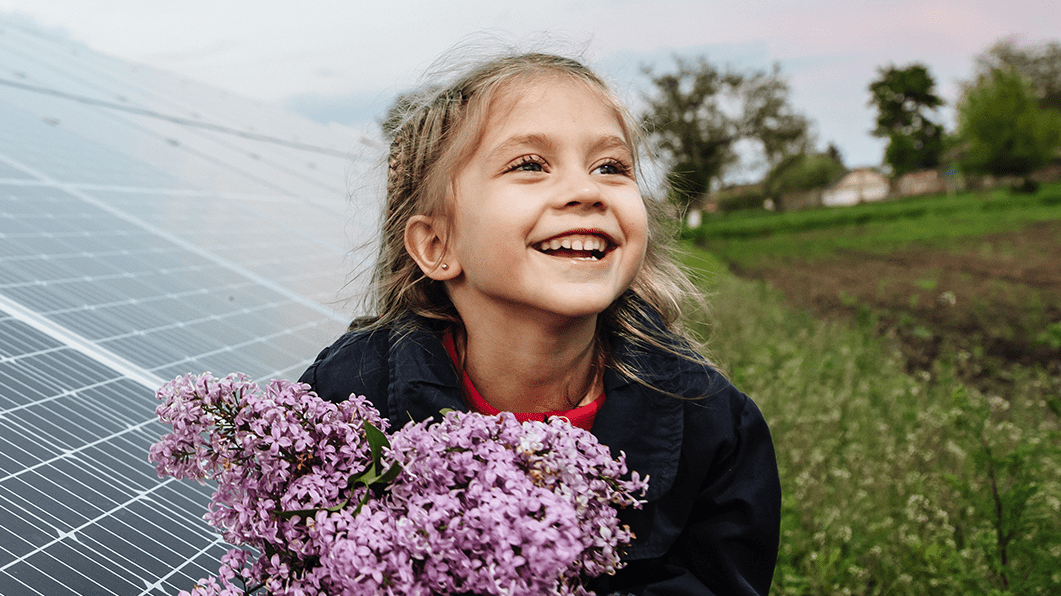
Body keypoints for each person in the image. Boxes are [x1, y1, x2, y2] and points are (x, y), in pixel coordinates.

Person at [299, 51, 780, 595]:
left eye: (611, 167)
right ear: (437, 245)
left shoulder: (715, 423)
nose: (588, 191)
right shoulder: (347, 392)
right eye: (530, 164)